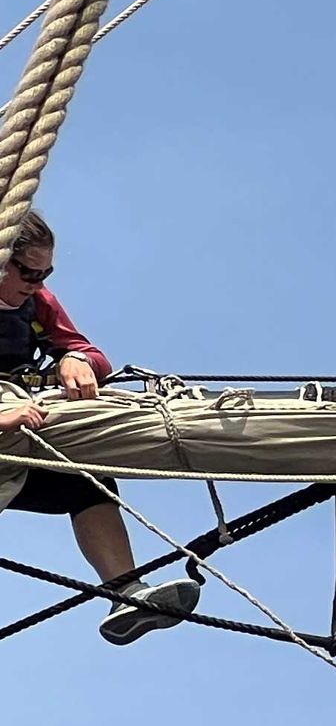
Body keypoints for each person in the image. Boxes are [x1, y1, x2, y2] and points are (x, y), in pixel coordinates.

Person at [0, 213, 197, 644]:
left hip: (16, 442)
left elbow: (89, 353)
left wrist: (76, 359)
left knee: (86, 481)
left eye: (45, 272)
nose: (36, 282)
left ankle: (126, 592)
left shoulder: (38, 304)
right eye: (28, 271)